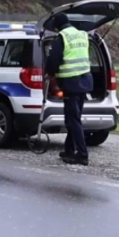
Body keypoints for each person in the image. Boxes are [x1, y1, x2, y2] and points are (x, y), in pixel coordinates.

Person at [45, 12, 93, 166]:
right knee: (74, 117)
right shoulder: (82, 35)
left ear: (58, 26)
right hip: (85, 81)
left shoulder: (61, 38)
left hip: (71, 82)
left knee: (73, 119)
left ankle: (82, 154)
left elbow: (54, 60)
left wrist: (49, 74)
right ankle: (69, 150)